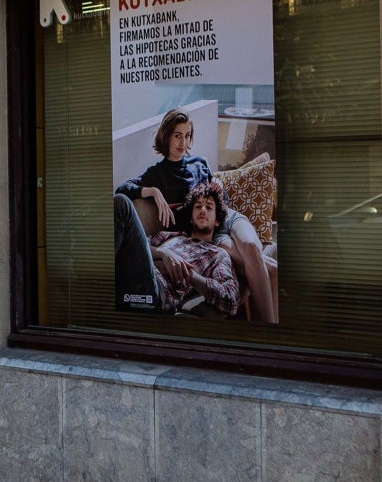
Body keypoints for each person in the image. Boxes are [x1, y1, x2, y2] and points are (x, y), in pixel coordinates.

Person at [114, 108, 277, 323]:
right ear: (166, 137)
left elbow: (220, 196)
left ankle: (270, 327)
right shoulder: (156, 173)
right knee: (269, 268)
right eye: (177, 135)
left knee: (251, 247)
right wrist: (153, 191)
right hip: (210, 233)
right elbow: (123, 189)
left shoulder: (199, 162)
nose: (183, 142)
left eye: (187, 135)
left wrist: (218, 187)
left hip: (225, 216)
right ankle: (271, 327)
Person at [114, 182, 240, 316]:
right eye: (198, 206)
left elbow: (231, 300)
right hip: (128, 276)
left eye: (209, 207)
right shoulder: (169, 236)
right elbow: (137, 246)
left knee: (122, 203)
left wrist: (187, 274)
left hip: (155, 293)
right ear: (191, 218)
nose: (203, 209)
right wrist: (162, 253)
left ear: (217, 221)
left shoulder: (217, 254)